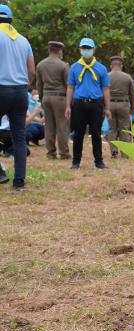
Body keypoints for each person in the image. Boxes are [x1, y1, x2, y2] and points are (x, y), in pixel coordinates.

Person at [0, 4, 35, 191]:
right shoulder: (23, 40)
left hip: (1, 89)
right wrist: (25, 86)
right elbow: (32, 70)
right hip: (20, 92)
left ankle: (1, 173)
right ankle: (19, 182)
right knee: (19, 138)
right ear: (11, 20)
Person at [65, 37, 111, 170]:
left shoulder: (101, 68)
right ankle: (76, 162)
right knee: (78, 134)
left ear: (94, 49)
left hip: (96, 104)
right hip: (79, 103)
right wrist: (68, 106)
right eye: (84, 48)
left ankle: (99, 161)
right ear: (80, 49)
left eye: (88, 48)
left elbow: (106, 89)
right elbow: (70, 87)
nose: (86, 50)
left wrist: (107, 107)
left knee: (96, 133)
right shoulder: (74, 67)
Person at [36, 41, 70, 160]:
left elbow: (39, 84)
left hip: (46, 97)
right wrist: (69, 102)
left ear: (49, 50)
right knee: (62, 126)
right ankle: (64, 153)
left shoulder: (40, 65)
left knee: (49, 126)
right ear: (59, 51)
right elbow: (68, 85)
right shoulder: (63, 65)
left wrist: (41, 98)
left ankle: (51, 153)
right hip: (60, 97)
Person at [107, 56, 134, 158]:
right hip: (123, 105)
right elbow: (132, 94)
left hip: (109, 104)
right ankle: (125, 153)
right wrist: (133, 108)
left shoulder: (106, 76)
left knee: (112, 129)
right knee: (124, 129)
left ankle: (114, 152)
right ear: (121, 66)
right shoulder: (127, 77)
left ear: (111, 66)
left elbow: (102, 92)